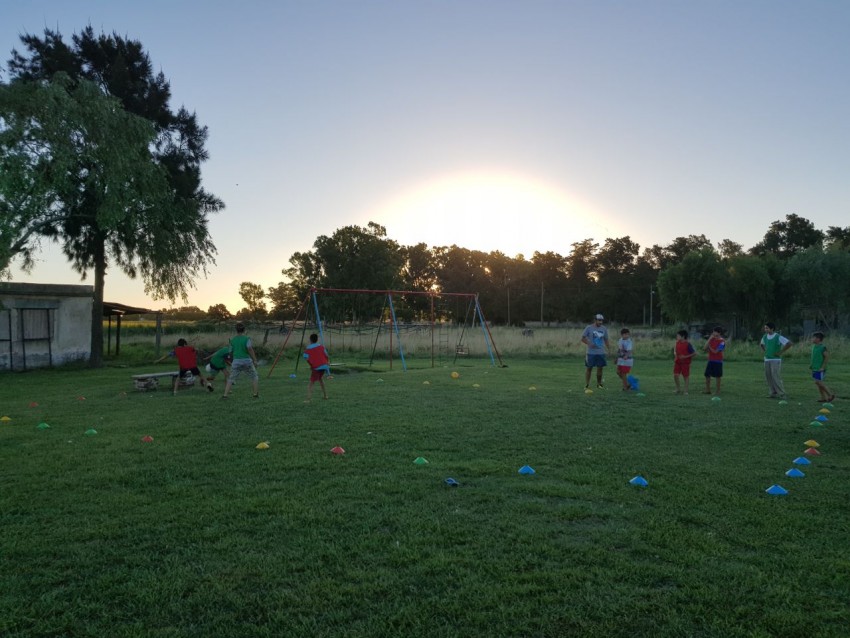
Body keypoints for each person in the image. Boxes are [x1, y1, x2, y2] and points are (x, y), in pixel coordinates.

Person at [222, 323, 259, 399]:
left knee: (231, 378)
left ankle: (225, 395)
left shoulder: (232, 340)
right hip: (247, 361)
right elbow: (249, 349)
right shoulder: (247, 338)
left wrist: (232, 360)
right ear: (244, 330)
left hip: (236, 362)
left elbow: (230, 351)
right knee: (254, 376)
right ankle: (255, 394)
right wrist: (255, 360)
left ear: (236, 330)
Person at [760, 322, 792, 399]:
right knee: (768, 377)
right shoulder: (765, 336)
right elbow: (762, 344)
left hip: (775, 359)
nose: (765, 329)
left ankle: (782, 394)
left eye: (767, 328)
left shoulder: (778, 336)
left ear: (772, 329)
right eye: (765, 328)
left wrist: (781, 352)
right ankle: (772, 393)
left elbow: (789, 343)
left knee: (775, 376)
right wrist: (765, 351)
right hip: (767, 359)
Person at [581, 314, 609, 389]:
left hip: (601, 352)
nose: (600, 322)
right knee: (589, 368)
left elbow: (606, 340)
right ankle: (587, 384)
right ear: (595, 320)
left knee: (600, 368)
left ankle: (599, 384)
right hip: (591, 352)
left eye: (602, 320)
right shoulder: (589, 328)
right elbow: (583, 338)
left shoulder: (604, 329)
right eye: (599, 320)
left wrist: (609, 349)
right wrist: (589, 343)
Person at [303, 333, 330, 402]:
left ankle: (308, 399)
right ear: (317, 339)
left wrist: (311, 365)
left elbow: (306, 357)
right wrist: (327, 362)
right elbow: (326, 355)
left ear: (310, 340)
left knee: (311, 383)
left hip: (316, 367)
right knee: (321, 379)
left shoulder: (308, 348)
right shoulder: (321, 347)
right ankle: (325, 396)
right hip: (324, 366)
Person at [810, 332, 835, 403]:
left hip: (820, 369)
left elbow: (827, 357)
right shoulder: (814, 346)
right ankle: (823, 398)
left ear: (818, 339)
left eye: (813, 338)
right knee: (818, 384)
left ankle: (830, 395)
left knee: (818, 382)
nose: (812, 339)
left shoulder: (822, 347)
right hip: (814, 368)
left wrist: (823, 367)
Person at [703, 327, 725, 395]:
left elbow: (716, 351)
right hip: (710, 360)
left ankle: (718, 391)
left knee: (718, 376)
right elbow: (704, 348)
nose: (713, 333)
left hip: (718, 361)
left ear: (719, 333)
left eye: (715, 332)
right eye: (713, 332)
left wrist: (709, 347)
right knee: (707, 375)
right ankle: (707, 390)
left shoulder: (722, 342)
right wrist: (709, 339)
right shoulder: (712, 339)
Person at [673, 329, 696, 394]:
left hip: (685, 363)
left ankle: (685, 391)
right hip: (677, 362)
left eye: (678, 336)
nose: (677, 337)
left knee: (685, 376)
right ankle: (678, 389)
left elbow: (694, 353)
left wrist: (685, 357)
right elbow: (675, 350)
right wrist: (675, 353)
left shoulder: (688, 344)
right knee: (675, 375)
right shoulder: (677, 343)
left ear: (683, 336)